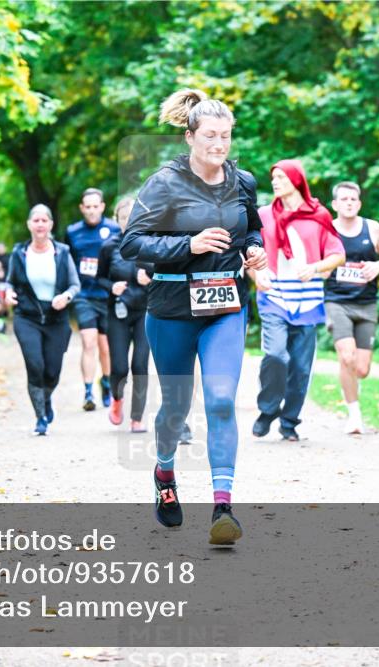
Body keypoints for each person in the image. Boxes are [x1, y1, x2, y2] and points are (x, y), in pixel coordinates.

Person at [120, 88, 267, 545]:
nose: (218, 145)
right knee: (177, 408)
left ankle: (223, 507)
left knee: (222, 399)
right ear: (189, 136)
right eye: (209, 136)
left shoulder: (242, 181)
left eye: (225, 136)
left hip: (225, 305)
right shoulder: (164, 183)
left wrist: (254, 250)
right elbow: (131, 244)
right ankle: (165, 473)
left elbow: (253, 227)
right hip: (172, 310)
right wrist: (190, 245)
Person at [250, 160, 346, 441]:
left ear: (296, 180)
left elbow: (337, 254)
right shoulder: (264, 214)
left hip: (308, 299)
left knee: (301, 368)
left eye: (280, 177)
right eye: (273, 178)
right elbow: (249, 250)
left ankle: (289, 422)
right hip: (274, 296)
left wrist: (315, 268)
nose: (275, 182)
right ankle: (268, 409)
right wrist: (257, 273)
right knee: (276, 355)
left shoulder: (319, 215)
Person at [323, 181, 379, 434]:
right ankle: (354, 415)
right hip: (336, 301)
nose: (349, 203)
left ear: (359, 203)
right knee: (347, 356)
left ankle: (352, 384)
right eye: (343, 199)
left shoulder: (373, 228)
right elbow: (316, 263)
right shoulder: (327, 230)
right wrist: (324, 269)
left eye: (353, 199)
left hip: (366, 303)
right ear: (334, 205)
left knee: (362, 369)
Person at [5, 205, 81, 436]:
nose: (40, 224)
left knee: (52, 372)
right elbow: (9, 281)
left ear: (50, 225)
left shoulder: (62, 252)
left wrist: (66, 297)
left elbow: (75, 285)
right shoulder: (19, 253)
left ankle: (46, 398)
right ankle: (40, 417)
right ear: (29, 224)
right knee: (35, 365)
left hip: (56, 318)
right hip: (27, 317)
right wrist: (8, 293)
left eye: (44, 220)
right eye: (35, 220)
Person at [97, 197, 152, 432]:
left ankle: (137, 418)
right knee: (119, 367)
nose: (128, 222)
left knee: (140, 364)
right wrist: (111, 287)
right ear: (116, 220)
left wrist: (150, 278)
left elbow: (165, 275)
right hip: (117, 311)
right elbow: (98, 278)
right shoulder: (109, 246)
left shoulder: (151, 244)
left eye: (132, 218)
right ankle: (117, 400)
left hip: (145, 311)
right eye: (123, 218)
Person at [65, 189, 122, 411]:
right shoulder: (72, 232)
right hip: (83, 295)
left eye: (95, 206)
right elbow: (67, 262)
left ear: (102, 206)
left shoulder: (114, 229)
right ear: (81, 208)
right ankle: (88, 392)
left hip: (106, 295)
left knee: (105, 347)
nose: (91, 210)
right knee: (88, 342)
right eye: (87, 207)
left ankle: (105, 383)